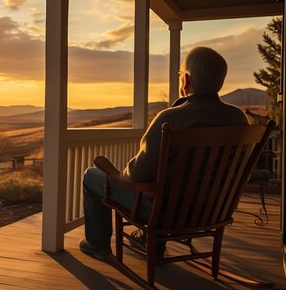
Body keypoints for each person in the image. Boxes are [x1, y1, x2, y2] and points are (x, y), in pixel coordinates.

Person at [79, 46, 250, 260]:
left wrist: (116, 174)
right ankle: (153, 244)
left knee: (91, 176)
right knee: (170, 185)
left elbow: (136, 176)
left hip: (164, 213)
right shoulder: (239, 119)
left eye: (180, 75)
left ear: (185, 80)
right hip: (213, 210)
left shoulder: (171, 119)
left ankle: (97, 245)